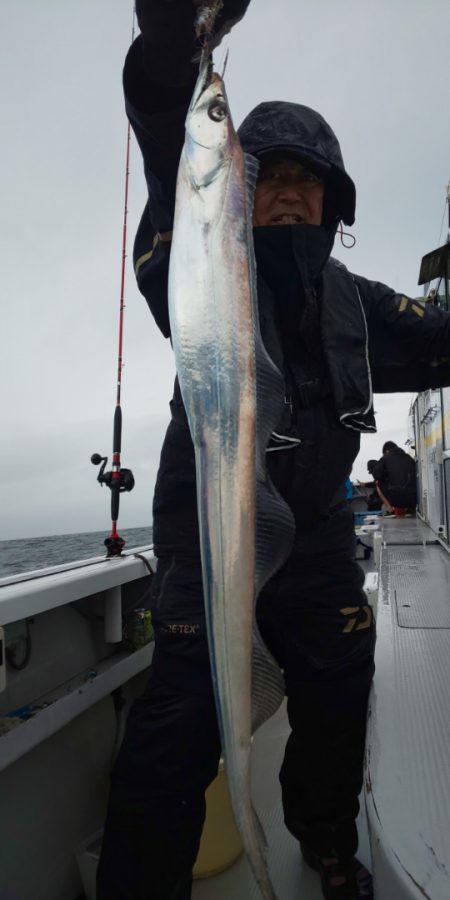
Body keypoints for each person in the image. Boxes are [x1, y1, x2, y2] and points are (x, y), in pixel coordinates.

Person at [96, 3, 450, 898]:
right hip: (207, 535)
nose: (290, 190)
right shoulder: (193, 258)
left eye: (310, 180)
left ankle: (325, 842)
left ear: (334, 204)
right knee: (178, 723)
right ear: (238, 185)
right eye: (271, 174)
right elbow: (169, 128)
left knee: (338, 690)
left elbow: (442, 337)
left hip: (322, 534)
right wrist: (183, 43)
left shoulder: (359, 304)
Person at [367, 442, 416, 516]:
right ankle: (408, 509)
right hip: (414, 499)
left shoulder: (386, 458)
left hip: (397, 499)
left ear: (386, 451)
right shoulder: (409, 457)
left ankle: (391, 509)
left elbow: (376, 475)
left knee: (378, 483)